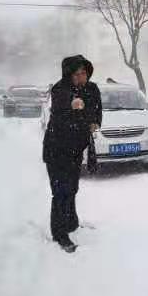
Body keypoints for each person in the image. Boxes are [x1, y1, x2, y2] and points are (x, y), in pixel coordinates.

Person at [42, 55, 102, 253]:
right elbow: (62, 107)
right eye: (77, 74)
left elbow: (97, 110)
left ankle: (71, 222)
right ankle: (59, 233)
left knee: (73, 188)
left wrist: (95, 122)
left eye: (84, 73)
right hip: (57, 150)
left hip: (76, 150)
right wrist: (73, 104)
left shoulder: (92, 89)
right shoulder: (61, 89)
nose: (81, 77)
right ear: (69, 74)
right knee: (60, 192)